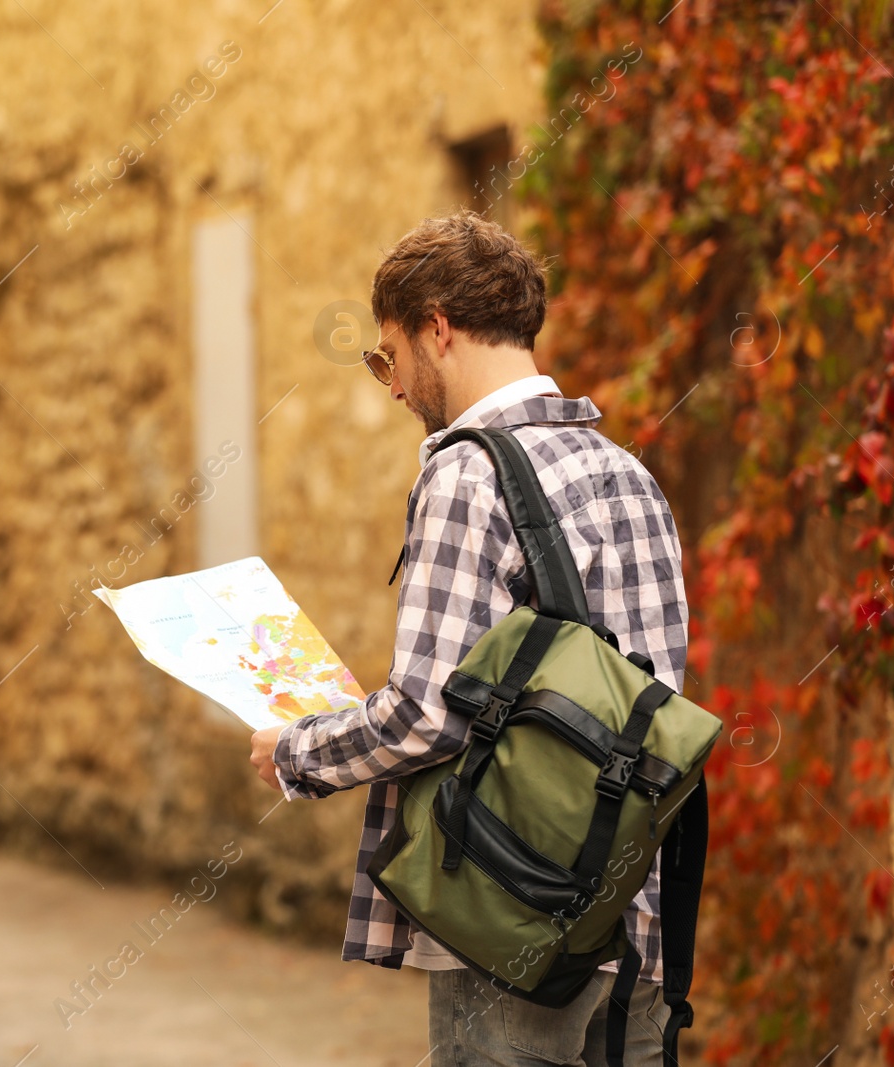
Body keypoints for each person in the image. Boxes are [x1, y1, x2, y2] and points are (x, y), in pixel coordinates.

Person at [247, 210, 689, 1066]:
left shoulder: (465, 470)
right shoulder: (629, 473)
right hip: (638, 919)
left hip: (514, 919)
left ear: (435, 329)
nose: (392, 384)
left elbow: (426, 713)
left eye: (388, 355)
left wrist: (299, 751)